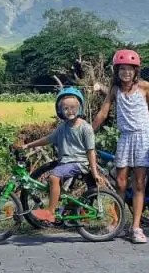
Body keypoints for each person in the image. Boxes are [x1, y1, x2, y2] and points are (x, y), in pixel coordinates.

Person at [93, 49, 149, 244]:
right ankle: (119, 222)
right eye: (122, 69)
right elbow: (103, 113)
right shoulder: (114, 90)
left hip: (143, 138)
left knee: (139, 183)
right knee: (120, 182)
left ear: (136, 71)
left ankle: (136, 227)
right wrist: (89, 132)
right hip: (125, 138)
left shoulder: (144, 87)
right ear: (117, 71)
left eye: (130, 69)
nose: (126, 73)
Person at [17, 88, 103, 224]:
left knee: (54, 177)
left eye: (73, 107)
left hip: (79, 163)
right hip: (66, 163)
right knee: (54, 184)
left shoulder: (85, 128)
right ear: (60, 111)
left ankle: (50, 212)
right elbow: (47, 139)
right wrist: (28, 146)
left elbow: (90, 151)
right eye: (66, 108)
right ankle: (72, 211)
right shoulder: (63, 128)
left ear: (79, 108)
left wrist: (95, 172)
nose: (70, 111)